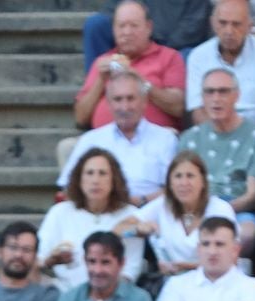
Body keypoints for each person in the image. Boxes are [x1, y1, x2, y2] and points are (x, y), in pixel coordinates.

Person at [58, 69, 180, 202]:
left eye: (131, 99)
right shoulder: (91, 140)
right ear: (109, 104)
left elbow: (175, 189)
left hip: (149, 211)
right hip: (101, 211)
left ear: (144, 101)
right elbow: (68, 187)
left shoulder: (165, 139)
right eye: (118, 99)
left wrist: (139, 201)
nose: (124, 107)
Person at [179, 68, 255, 237]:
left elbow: (253, 195)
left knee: (246, 234)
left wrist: (219, 211)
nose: (216, 98)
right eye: (209, 92)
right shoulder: (189, 138)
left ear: (237, 95)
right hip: (195, 209)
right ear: (202, 97)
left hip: (237, 208)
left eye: (223, 92)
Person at [38, 149, 144, 291]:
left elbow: (131, 269)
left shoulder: (130, 215)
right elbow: (39, 259)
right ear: (79, 179)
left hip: (114, 294)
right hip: (64, 293)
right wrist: (52, 260)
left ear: (114, 179)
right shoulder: (60, 212)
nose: (95, 180)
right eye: (89, 173)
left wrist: (101, 295)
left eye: (102, 173)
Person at [75, 2, 188, 130]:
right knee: (68, 143)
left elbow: (178, 108)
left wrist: (141, 82)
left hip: (153, 137)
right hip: (105, 139)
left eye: (134, 25)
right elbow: (80, 118)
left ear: (148, 27)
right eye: (121, 26)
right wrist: (100, 81)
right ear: (113, 29)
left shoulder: (169, 57)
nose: (127, 32)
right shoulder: (103, 62)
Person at [124, 149, 236, 272]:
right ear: (170, 184)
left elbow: (232, 258)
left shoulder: (221, 209)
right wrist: (137, 229)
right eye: (178, 176)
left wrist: (188, 267)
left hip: (216, 279)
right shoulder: (162, 204)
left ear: (203, 181)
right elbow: (119, 228)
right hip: (174, 281)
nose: (183, 183)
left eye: (190, 176)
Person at [186, 0, 255, 125]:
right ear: (213, 23)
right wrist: (217, 134)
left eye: (236, 24)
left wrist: (248, 134)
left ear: (249, 26)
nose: (229, 31)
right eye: (223, 23)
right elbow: (198, 113)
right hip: (213, 131)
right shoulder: (198, 56)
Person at [82, 0, 214, 70]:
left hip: (175, 48)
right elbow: (113, 12)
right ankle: (95, 88)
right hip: (136, 42)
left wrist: (155, 49)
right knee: (95, 24)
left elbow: (193, 27)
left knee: (188, 56)